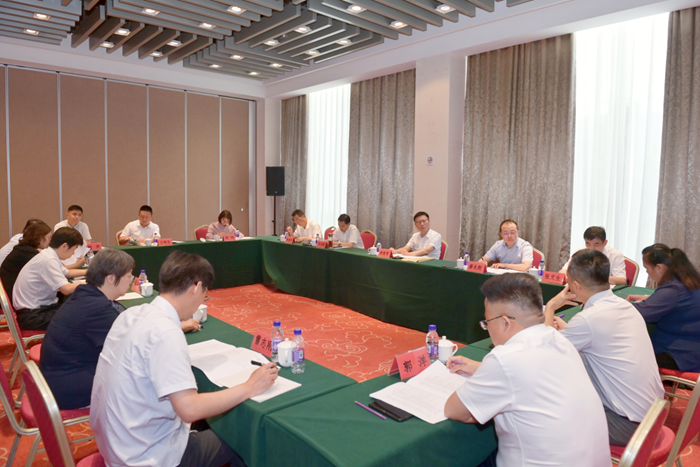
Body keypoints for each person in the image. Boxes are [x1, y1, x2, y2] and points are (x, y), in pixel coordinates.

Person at [91, 250, 278, 467]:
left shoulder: (130, 314)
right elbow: (189, 409)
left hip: (117, 443)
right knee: (244, 437)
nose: (201, 302)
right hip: (146, 456)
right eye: (204, 296)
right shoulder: (166, 332)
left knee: (212, 422)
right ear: (196, 288)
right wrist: (250, 387)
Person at [444, 273, 610, 466]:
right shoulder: (558, 338)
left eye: (487, 322)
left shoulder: (505, 358)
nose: (487, 328)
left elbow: (454, 410)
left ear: (505, 322)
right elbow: (528, 375)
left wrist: (487, 371)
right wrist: (479, 368)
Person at [40, 248, 205, 411]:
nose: (131, 280)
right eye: (129, 276)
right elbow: (138, 341)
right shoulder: (97, 309)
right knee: (151, 381)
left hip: (60, 375)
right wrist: (179, 326)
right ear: (111, 279)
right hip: (70, 387)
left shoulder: (87, 295)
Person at [544, 249, 664, 446]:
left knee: (543, 414)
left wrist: (550, 307)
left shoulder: (588, 319)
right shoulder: (626, 307)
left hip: (627, 426)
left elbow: (545, 355)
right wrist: (568, 330)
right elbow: (600, 338)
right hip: (655, 415)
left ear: (575, 286)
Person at [627, 244, 700, 372]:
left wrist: (617, 304)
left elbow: (637, 313)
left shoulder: (672, 290)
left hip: (679, 354)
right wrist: (652, 299)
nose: (647, 272)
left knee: (625, 355)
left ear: (659, 267)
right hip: (693, 347)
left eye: (647, 268)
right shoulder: (688, 280)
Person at [12, 227, 85, 330]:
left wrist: (90, 272)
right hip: (34, 316)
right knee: (83, 316)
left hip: (39, 310)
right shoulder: (48, 260)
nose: (73, 253)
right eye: (74, 249)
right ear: (64, 246)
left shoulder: (49, 255)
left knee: (81, 309)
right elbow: (66, 289)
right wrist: (91, 282)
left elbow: (67, 273)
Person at [0, 221, 52, 304]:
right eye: (49, 238)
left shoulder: (23, 249)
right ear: (40, 238)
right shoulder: (28, 254)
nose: (50, 241)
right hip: (13, 297)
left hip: (10, 292)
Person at [559, 226, 627, 285]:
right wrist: (565, 276)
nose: (592, 248)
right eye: (588, 244)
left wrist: (594, 278)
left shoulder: (615, 255)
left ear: (605, 243)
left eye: (596, 244)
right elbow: (563, 271)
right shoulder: (580, 252)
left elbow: (622, 280)